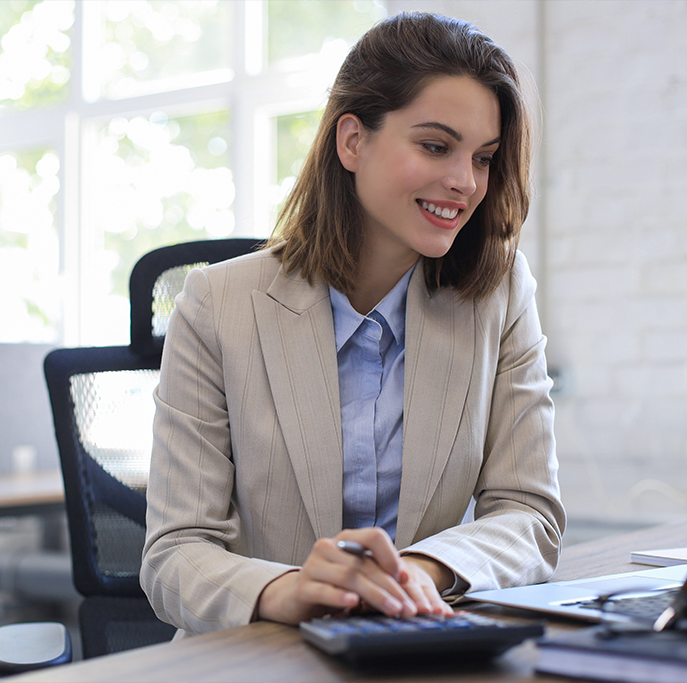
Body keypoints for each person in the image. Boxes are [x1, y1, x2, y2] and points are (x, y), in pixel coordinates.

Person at [141, 11, 565, 636]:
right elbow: (175, 553)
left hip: (416, 642)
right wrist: (290, 590)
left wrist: (424, 569)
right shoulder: (217, 303)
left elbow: (529, 512)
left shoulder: (498, 294)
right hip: (256, 657)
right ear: (352, 141)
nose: (465, 182)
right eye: (435, 146)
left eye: (484, 158)